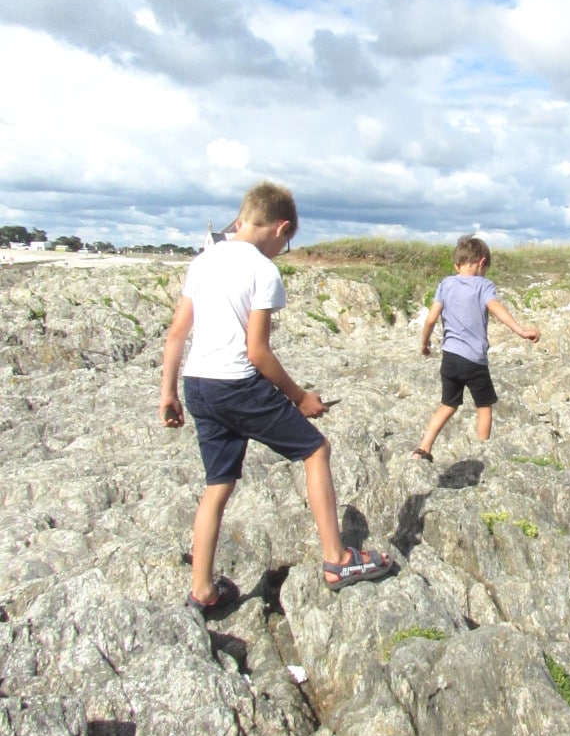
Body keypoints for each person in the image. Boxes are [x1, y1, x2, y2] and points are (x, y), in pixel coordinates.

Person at [160, 181, 393, 613]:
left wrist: (168, 393)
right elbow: (257, 351)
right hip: (236, 383)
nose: (281, 250)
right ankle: (337, 560)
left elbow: (177, 334)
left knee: (218, 485)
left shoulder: (203, 260)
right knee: (315, 449)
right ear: (281, 228)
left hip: (197, 384)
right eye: (285, 242)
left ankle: (202, 592)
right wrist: (300, 396)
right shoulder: (262, 270)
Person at [412, 235, 540, 462]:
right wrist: (520, 330)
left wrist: (424, 344)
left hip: (449, 358)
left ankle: (423, 449)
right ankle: (483, 452)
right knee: (484, 406)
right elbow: (495, 307)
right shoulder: (484, 285)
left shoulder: (446, 284)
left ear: (456, 264)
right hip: (474, 360)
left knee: (447, 405)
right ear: (482, 263)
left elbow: (431, 319)